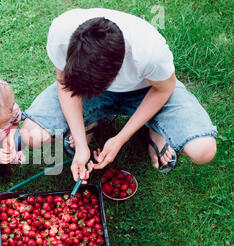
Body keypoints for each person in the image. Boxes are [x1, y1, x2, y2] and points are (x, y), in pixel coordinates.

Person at [20, 8, 217, 183]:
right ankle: (87, 125)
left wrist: (120, 138)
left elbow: (164, 89)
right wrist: (80, 145)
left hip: (148, 91)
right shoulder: (61, 32)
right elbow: (65, 86)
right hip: (89, 88)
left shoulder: (148, 51)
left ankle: (155, 129)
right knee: (31, 134)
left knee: (204, 150)